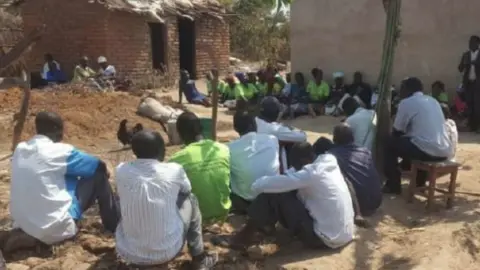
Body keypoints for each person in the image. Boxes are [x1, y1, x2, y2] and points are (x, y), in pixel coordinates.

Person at [10, 112, 120, 244]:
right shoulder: (61, 151)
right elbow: (98, 166)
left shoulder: (20, 149)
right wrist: (105, 171)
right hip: (56, 228)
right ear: (56, 130)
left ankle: (32, 235)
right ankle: (114, 225)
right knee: (98, 175)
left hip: (24, 225)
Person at [115, 130, 218, 268]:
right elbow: (186, 190)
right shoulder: (174, 170)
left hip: (128, 252)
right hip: (168, 251)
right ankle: (199, 258)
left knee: (128, 200)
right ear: (160, 150)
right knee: (191, 199)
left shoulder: (121, 170)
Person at [225, 142, 355, 250]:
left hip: (325, 239)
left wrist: (254, 187)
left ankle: (242, 238)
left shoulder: (309, 174)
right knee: (287, 188)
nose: (294, 168)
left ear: (304, 161)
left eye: (296, 165)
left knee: (272, 194)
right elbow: (293, 175)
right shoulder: (329, 161)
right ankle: (265, 226)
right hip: (346, 234)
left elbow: (260, 185)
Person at [383, 77, 451, 194]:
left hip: (428, 151)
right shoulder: (432, 100)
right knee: (418, 141)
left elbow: (397, 131)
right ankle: (419, 182)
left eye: (402, 88)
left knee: (390, 143)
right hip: (445, 151)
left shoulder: (406, 103)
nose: (400, 92)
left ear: (408, 89)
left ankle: (393, 185)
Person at [170, 112, 231, 221]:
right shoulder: (222, 149)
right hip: (223, 211)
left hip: (197, 217)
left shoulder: (177, 159)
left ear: (179, 133)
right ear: (202, 129)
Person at [315, 124, 382, 217]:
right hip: (376, 201)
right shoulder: (365, 152)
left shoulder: (331, 157)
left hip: (358, 204)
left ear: (334, 139)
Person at [228, 111, 280, 214]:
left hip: (246, 198)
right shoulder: (272, 139)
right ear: (254, 124)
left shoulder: (229, 148)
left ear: (235, 128)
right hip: (273, 195)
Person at [255, 97, 307, 171]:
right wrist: (291, 128)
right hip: (274, 173)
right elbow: (303, 137)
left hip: (254, 167)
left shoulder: (253, 122)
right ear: (276, 113)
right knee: (297, 144)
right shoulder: (276, 129)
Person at [458, 35, 480, 132]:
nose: (470, 44)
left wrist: (477, 64)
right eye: (469, 42)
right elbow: (460, 69)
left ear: (478, 44)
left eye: (472, 42)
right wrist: (464, 64)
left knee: (477, 105)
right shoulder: (466, 55)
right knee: (469, 105)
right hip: (468, 84)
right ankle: (472, 126)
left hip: (478, 84)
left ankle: (478, 126)